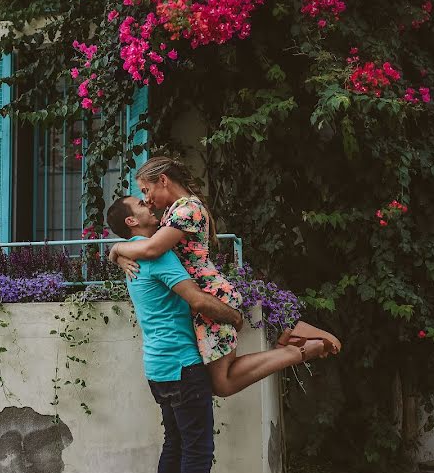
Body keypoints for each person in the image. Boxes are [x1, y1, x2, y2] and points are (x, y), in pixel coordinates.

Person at [109, 156, 342, 398]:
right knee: (222, 382)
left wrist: (116, 250)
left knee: (223, 383)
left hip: (210, 297)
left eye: (146, 190)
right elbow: (145, 244)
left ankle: (301, 349)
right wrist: (117, 253)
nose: (146, 199)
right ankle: (292, 345)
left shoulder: (187, 210)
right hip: (204, 297)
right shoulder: (174, 210)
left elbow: (151, 249)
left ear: (163, 180)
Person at [106, 195, 249, 473]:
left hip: (157, 367)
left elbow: (118, 248)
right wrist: (235, 316)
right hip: (184, 366)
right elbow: (197, 301)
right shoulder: (157, 255)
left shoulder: (134, 253)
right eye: (140, 204)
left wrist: (114, 250)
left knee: (175, 446)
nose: (148, 206)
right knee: (198, 452)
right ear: (132, 223)